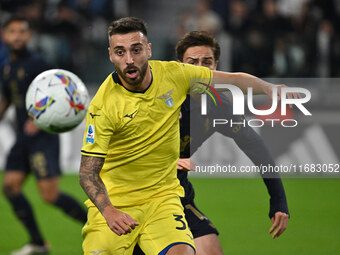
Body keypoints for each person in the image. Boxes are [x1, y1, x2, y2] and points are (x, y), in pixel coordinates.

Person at [79, 17, 293, 255]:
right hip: (119, 200)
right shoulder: (104, 105)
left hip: (165, 197)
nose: (129, 59)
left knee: (205, 249)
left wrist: (269, 88)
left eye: (207, 63)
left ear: (148, 50)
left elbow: (253, 140)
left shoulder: (198, 91)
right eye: (120, 52)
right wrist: (108, 210)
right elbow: (88, 172)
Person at [133, 31, 290, 255]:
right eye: (192, 63)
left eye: (206, 63)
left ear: (216, 67)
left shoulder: (218, 105)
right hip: (133, 193)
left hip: (175, 193)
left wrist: (278, 201)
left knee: (211, 249)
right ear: (180, 66)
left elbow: (257, 149)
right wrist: (164, 161)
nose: (200, 69)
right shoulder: (158, 96)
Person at [0, 16, 87, 255]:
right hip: (22, 139)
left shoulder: (37, 63)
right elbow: (8, 98)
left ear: (29, 36)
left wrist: (39, 121)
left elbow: (60, 93)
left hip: (42, 137)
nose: (17, 36)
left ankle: (102, 228)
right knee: (10, 187)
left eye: (22, 31)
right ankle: (38, 243)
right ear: (4, 35)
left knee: (49, 195)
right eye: (12, 31)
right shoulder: (7, 65)